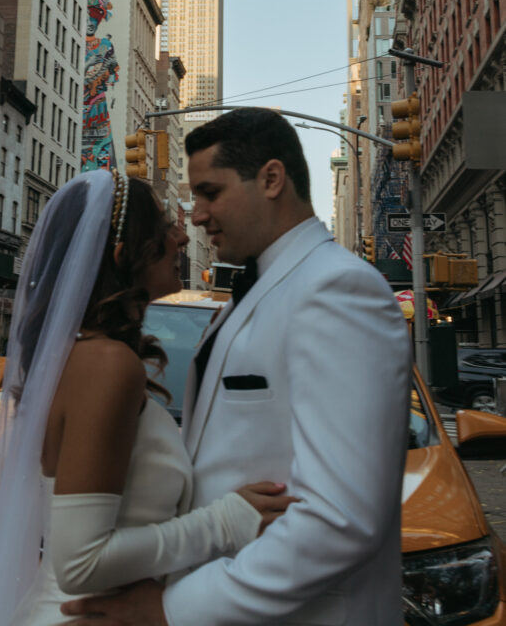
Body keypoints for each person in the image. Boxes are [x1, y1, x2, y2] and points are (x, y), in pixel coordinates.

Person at [62, 108, 413, 626]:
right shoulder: (250, 296)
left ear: (271, 179)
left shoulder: (338, 290)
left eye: (210, 192)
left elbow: (340, 517)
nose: (197, 215)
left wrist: (172, 608)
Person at [0, 167, 294, 626]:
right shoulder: (106, 364)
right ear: (124, 255)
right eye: (164, 228)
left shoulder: (78, 356)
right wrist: (226, 521)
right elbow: (81, 563)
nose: (182, 237)